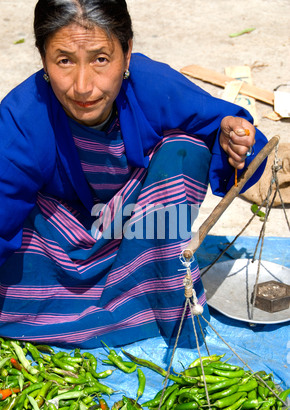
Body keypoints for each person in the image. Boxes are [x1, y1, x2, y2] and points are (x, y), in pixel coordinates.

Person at [0, 0, 267, 348]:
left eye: (100, 59)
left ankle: (157, 296)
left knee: (185, 149)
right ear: (44, 60)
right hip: (57, 244)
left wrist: (235, 139)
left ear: (126, 55)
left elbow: (228, 126)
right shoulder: (24, 114)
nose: (83, 86)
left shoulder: (152, 85)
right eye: (64, 60)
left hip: (141, 233)